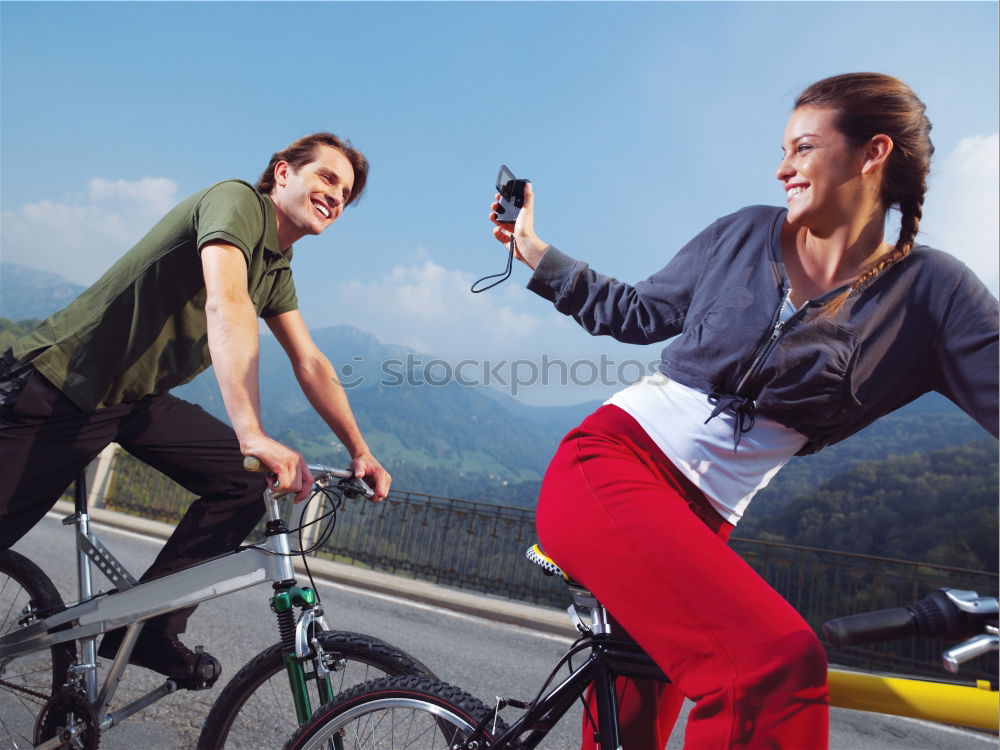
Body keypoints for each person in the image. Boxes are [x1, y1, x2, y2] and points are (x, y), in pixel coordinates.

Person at [488, 73, 998, 748]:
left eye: (804, 147)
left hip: (704, 524)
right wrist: (530, 248)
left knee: (632, 735)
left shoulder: (932, 295)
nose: (781, 167)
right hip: (612, 463)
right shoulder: (744, 232)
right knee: (775, 668)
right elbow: (636, 313)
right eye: (783, 148)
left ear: (872, 154)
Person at [0, 132, 391, 682]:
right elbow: (225, 301)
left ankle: (150, 629)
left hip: (135, 401)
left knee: (242, 481)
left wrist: (361, 449)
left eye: (346, 193)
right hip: (63, 387)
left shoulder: (275, 265)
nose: (336, 196)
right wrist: (250, 430)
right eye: (327, 177)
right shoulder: (237, 204)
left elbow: (310, 363)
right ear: (283, 173)